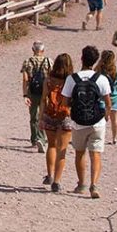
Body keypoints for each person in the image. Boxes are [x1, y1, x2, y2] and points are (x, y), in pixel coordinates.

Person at [62, 46, 113, 199]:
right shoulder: (101, 78)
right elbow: (108, 102)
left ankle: (81, 183)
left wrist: (74, 110)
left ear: (82, 58)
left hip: (78, 122)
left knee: (79, 153)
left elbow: (65, 101)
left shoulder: (72, 79)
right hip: (97, 121)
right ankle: (94, 184)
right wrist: (106, 116)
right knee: (96, 154)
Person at [41, 53, 76, 192]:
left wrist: (40, 117)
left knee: (51, 145)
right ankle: (57, 181)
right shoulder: (72, 80)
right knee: (62, 150)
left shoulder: (49, 79)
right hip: (66, 115)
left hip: (50, 114)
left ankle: (49, 175)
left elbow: (44, 98)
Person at [20, 42, 52, 152]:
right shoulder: (48, 61)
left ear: (32, 49)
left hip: (32, 92)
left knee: (33, 116)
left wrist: (25, 94)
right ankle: (42, 139)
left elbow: (25, 79)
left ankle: (34, 139)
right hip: (45, 92)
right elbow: (51, 78)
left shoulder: (27, 61)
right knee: (43, 115)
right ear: (43, 50)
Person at [98, 50, 117, 145]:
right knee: (114, 119)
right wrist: (116, 89)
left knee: (101, 120)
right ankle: (114, 138)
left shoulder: (99, 70)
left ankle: (100, 137)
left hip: (102, 98)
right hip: (114, 98)